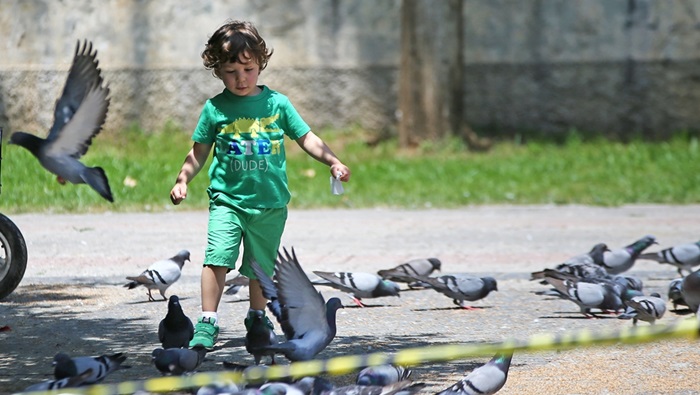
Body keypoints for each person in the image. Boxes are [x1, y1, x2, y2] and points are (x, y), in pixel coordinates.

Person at [170, 20, 351, 350]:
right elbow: (198, 152)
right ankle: (208, 319)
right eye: (230, 71)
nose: (240, 78)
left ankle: (257, 315)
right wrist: (183, 180)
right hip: (227, 201)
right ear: (217, 70)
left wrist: (333, 161)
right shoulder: (215, 109)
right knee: (217, 258)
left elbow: (306, 137)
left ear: (260, 64)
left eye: (248, 69)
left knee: (260, 267)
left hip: (269, 204)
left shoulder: (277, 105)